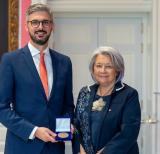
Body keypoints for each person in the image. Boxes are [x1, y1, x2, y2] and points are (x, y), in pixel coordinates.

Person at [0, 3, 74, 154]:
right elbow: (2, 108)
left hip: (54, 147)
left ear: (52, 26)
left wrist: (65, 127)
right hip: (21, 147)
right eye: (35, 22)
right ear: (27, 26)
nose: (40, 27)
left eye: (45, 22)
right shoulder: (10, 60)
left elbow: (67, 105)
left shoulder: (64, 62)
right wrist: (34, 131)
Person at [74, 46, 141, 154]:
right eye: (98, 66)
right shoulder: (85, 92)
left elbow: (128, 133)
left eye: (109, 66)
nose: (103, 70)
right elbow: (77, 125)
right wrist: (80, 150)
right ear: (93, 69)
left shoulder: (129, 95)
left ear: (117, 69)